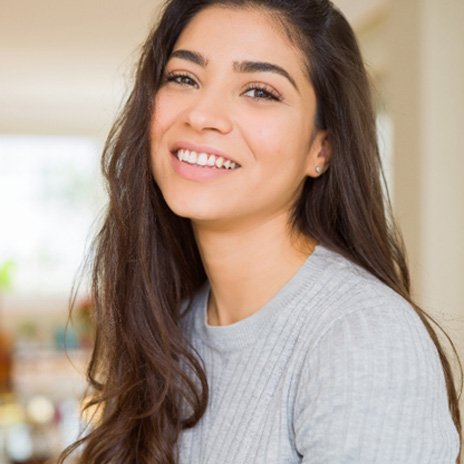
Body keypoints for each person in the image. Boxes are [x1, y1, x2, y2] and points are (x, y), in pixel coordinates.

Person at [58, 0, 462, 463]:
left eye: (259, 91)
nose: (202, 115)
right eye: (184, 78)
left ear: (322, 148)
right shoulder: (170, 325)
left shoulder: (362, 338)